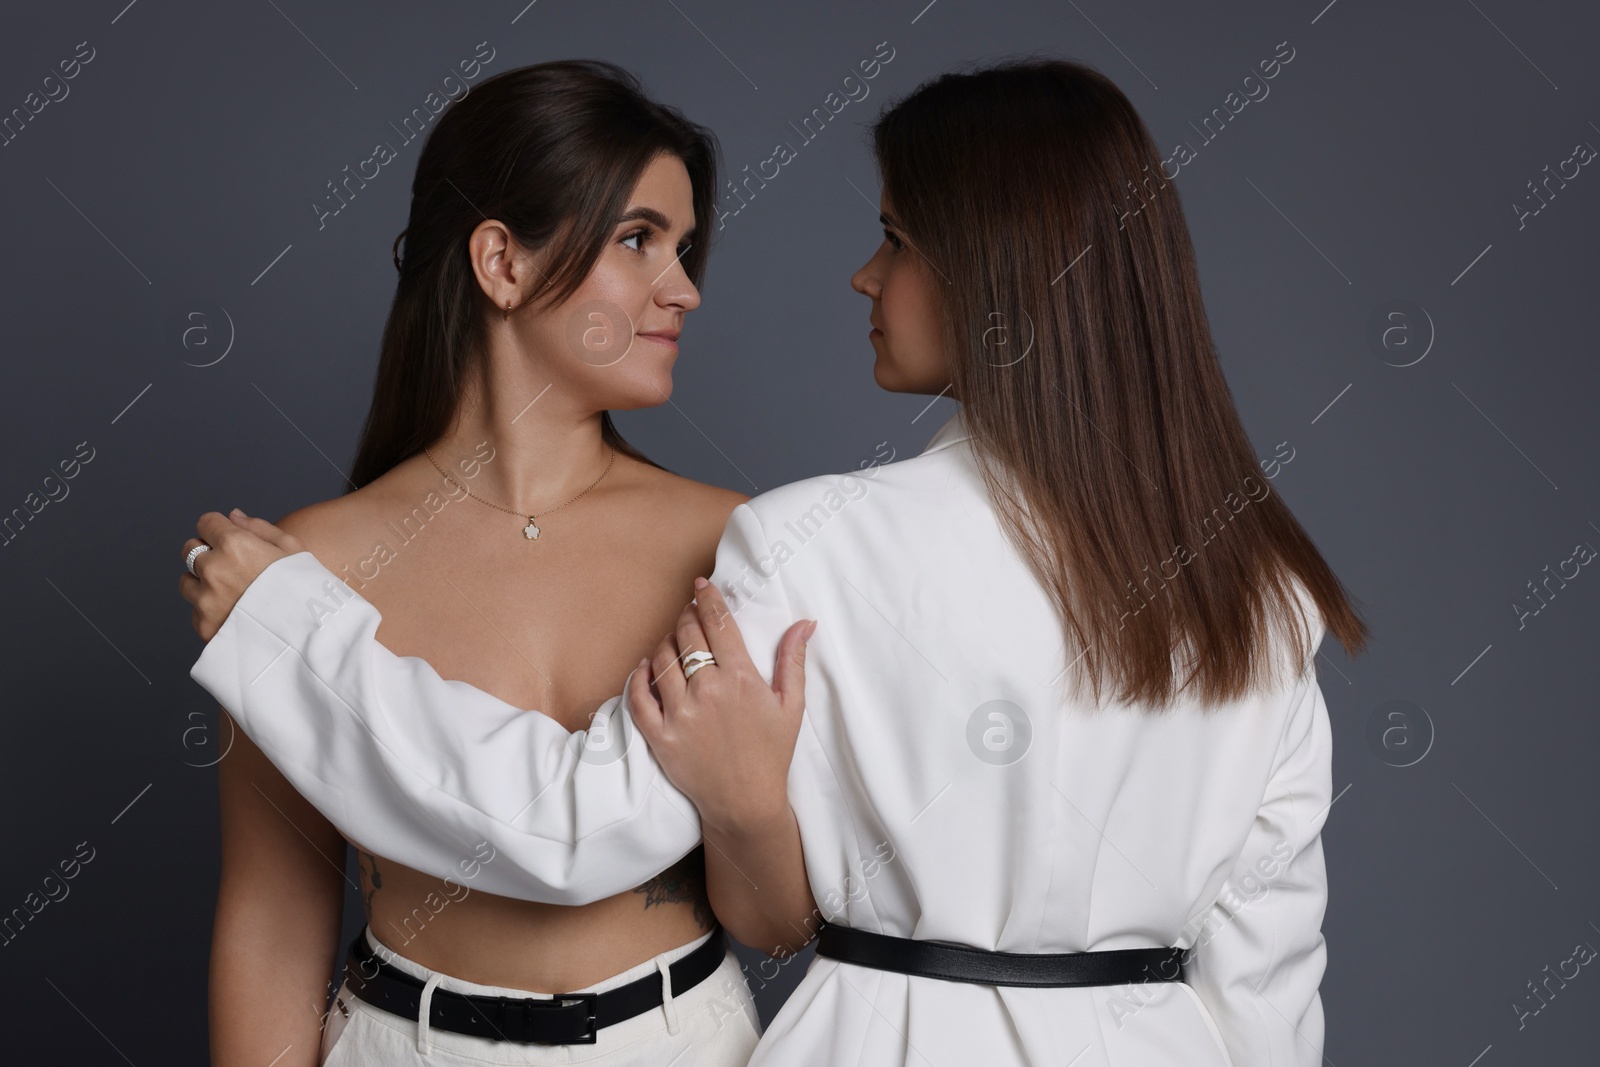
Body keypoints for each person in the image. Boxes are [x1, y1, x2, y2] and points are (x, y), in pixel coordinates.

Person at [185, 57, 1369, 1066]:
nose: (859, 274)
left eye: (894, 238)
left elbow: (568, 829)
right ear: (497, 263)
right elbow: (1270, 963)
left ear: (991, 274)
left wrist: (287, 629)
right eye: (639, 239)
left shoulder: (806, 539)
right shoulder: (1264, 590)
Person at [182, 60, 768, 1066]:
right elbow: (273, 916)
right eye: (639, 240)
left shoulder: (730, 543)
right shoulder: (311, 564)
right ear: (501, 262)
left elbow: (773, 910)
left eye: (683, 247)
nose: (685, 289)